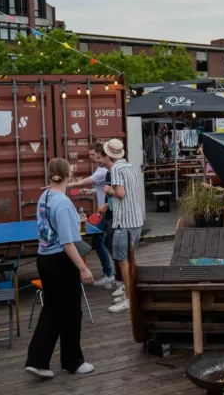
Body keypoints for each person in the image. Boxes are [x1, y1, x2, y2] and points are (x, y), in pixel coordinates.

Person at [25, 158, 94, 379]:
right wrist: (83, 268)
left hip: (44, 259)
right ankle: (72, 361)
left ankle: (37, 360)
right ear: (68, 176)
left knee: (53, 310)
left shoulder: (44, 197)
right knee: (72, 312)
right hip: (61, 262)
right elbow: (67, 242)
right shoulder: (63, 203)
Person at [99, 139, 144, 313]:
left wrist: (108, 190)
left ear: (109, 154)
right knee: (130, 259)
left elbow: (120, 193)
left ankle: (129, 299)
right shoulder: (130, 166)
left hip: (123, 221)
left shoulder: (116, 169)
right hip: (136, 219)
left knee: (123, 260)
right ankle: (130, 292)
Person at [67, 143, 115, 287]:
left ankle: (110, 274)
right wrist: (90, 192)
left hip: (107, 212)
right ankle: (114, 273)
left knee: (100, 242)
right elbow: (102, 189)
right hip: (104, 211)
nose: (90, 157)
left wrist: (62, 185)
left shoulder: (103, 171)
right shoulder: (101, 170)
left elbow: (82, 182)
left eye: (93, 155)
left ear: (102, 155)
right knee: (106, 243)